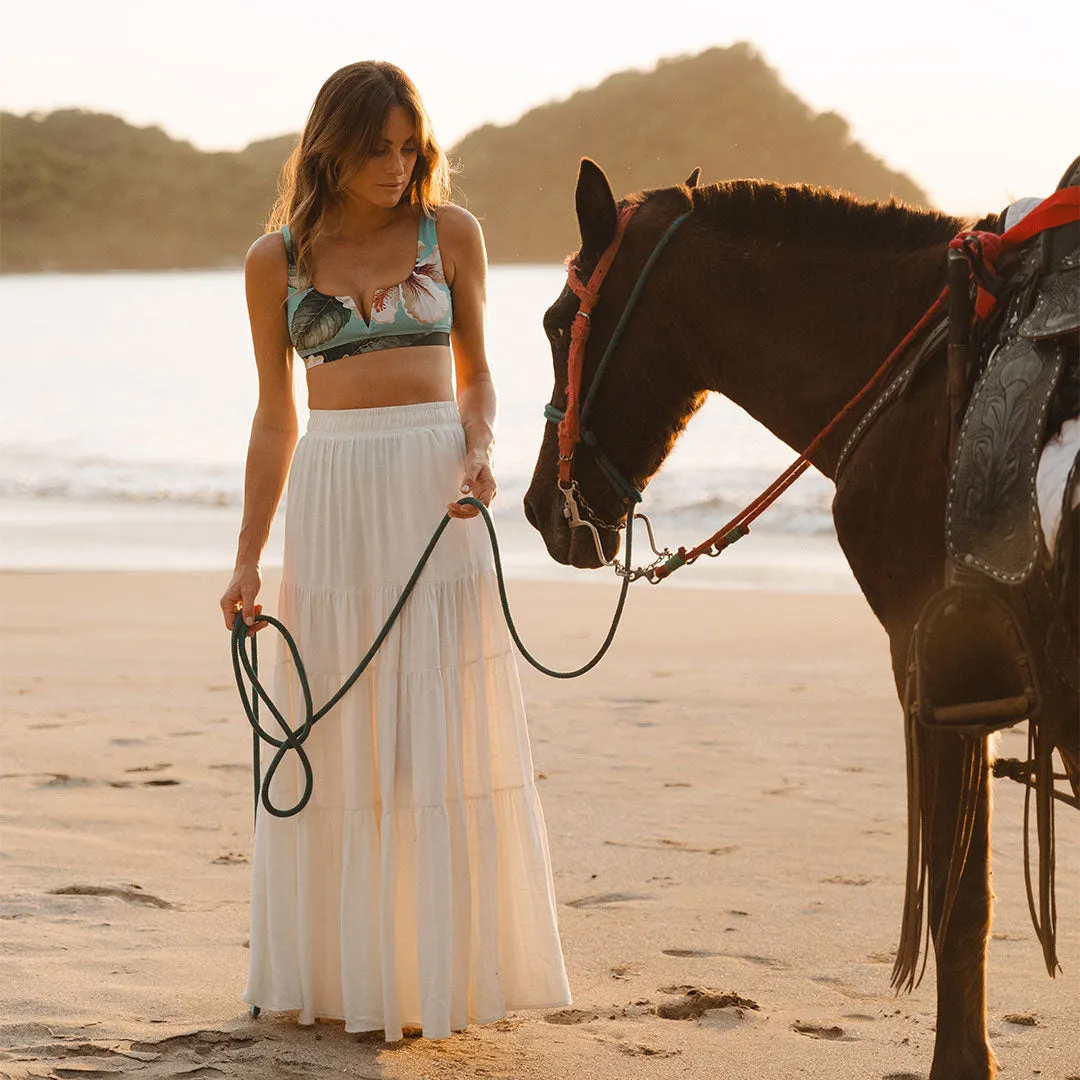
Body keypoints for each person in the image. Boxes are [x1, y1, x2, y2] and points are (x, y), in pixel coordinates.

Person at [218, 60, 571, 1042]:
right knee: (340, 735)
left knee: (436, 729)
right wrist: (247, 559)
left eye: (409, 146)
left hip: (432, 494)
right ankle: (341, 978)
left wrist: (479, 451)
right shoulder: (274, 259)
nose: (397, 163)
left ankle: (435, 974)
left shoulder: (449, 235)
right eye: (378, 146)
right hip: (333, 495)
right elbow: (273, 418)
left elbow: (479, 378)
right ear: (331, 144)